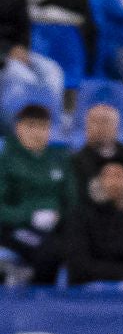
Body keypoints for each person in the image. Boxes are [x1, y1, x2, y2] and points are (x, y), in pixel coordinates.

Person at [0, 102, 67, 283]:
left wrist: (60, 216)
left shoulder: (59, 160)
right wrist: (31, 216)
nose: (37, 133)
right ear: (18, 128)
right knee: (49, 251)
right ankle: (40, 306)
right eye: (31, 126)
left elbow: (70, 199)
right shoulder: (5, 161)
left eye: (43, 127)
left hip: (56, 226)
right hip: (13, 227)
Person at [62, 159, 123, 285]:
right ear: (97, 181)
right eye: (107, 176)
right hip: (90, 293)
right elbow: (80, 266)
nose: (114, 182)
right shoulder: (81, 216)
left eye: (119, 175)